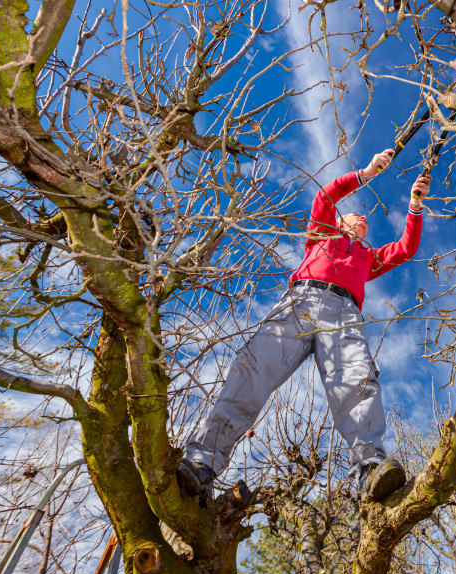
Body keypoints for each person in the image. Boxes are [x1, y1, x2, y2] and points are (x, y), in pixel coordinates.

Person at [178, 149, 430, 502]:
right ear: (338, 223)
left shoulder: (367, 258)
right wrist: (367, 172)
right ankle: (201, 462)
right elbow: (325, 196)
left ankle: (371, 466)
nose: (361, 217)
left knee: (356, 381)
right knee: (252, 368)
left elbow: (405, 248)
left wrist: (415, 205)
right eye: (353, 215)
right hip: (301, 302)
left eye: (365, 221)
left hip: (343, 313)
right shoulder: (320, 235)